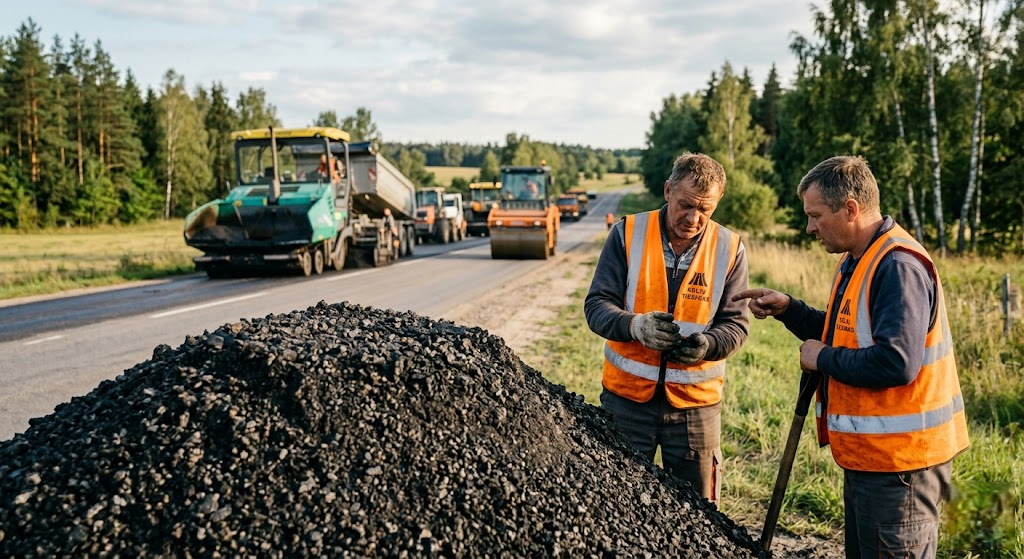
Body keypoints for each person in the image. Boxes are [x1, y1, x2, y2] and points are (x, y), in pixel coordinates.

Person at [731, 156, 969, 558]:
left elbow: (896, 362)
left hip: (902, 469)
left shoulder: (897, 266)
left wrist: (821, 359)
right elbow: (846, 333)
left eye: (816, 215)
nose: (809, 227)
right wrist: (790, 308)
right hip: (873, 461)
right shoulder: (858, 258)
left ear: (851, 209)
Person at [584, 152, 749, 506]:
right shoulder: (627, 234)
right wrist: (634, 326)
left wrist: (708, 344)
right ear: (667, 190)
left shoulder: (730, 248)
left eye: (706, 209)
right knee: (616, 506)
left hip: (695, 410)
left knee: (697, 517)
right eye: (685, 205)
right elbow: (596, 306)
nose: (694, 218)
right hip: (626, 402)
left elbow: (736, 325)